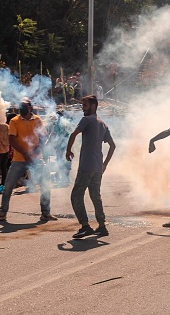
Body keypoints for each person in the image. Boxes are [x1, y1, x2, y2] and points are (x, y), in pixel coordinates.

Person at [0, 97, 56, 222]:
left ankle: (46, 213)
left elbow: (43, 137)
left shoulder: (37, 120)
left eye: (24, 106)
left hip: (36, 158)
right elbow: (12, 139)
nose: (21, 108)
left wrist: (34, 153)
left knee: (44, 184)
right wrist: (25, 153)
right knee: (8, 185)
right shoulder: (14, 121)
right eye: (20, 106)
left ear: (30, 107)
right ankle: (2, 212)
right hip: (18, 159)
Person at [66, 95, 116, 238]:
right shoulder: (102, 123)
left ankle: (85, 226)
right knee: (95, 196)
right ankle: (101, 226)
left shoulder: (87, 120)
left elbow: (73, 134)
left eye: (85, 105)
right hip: (98, 166)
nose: (83, 108)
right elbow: (113, 146)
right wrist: (105, 164)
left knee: (76, 195)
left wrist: (68, 150)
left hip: (87, 165)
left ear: (93, 106)